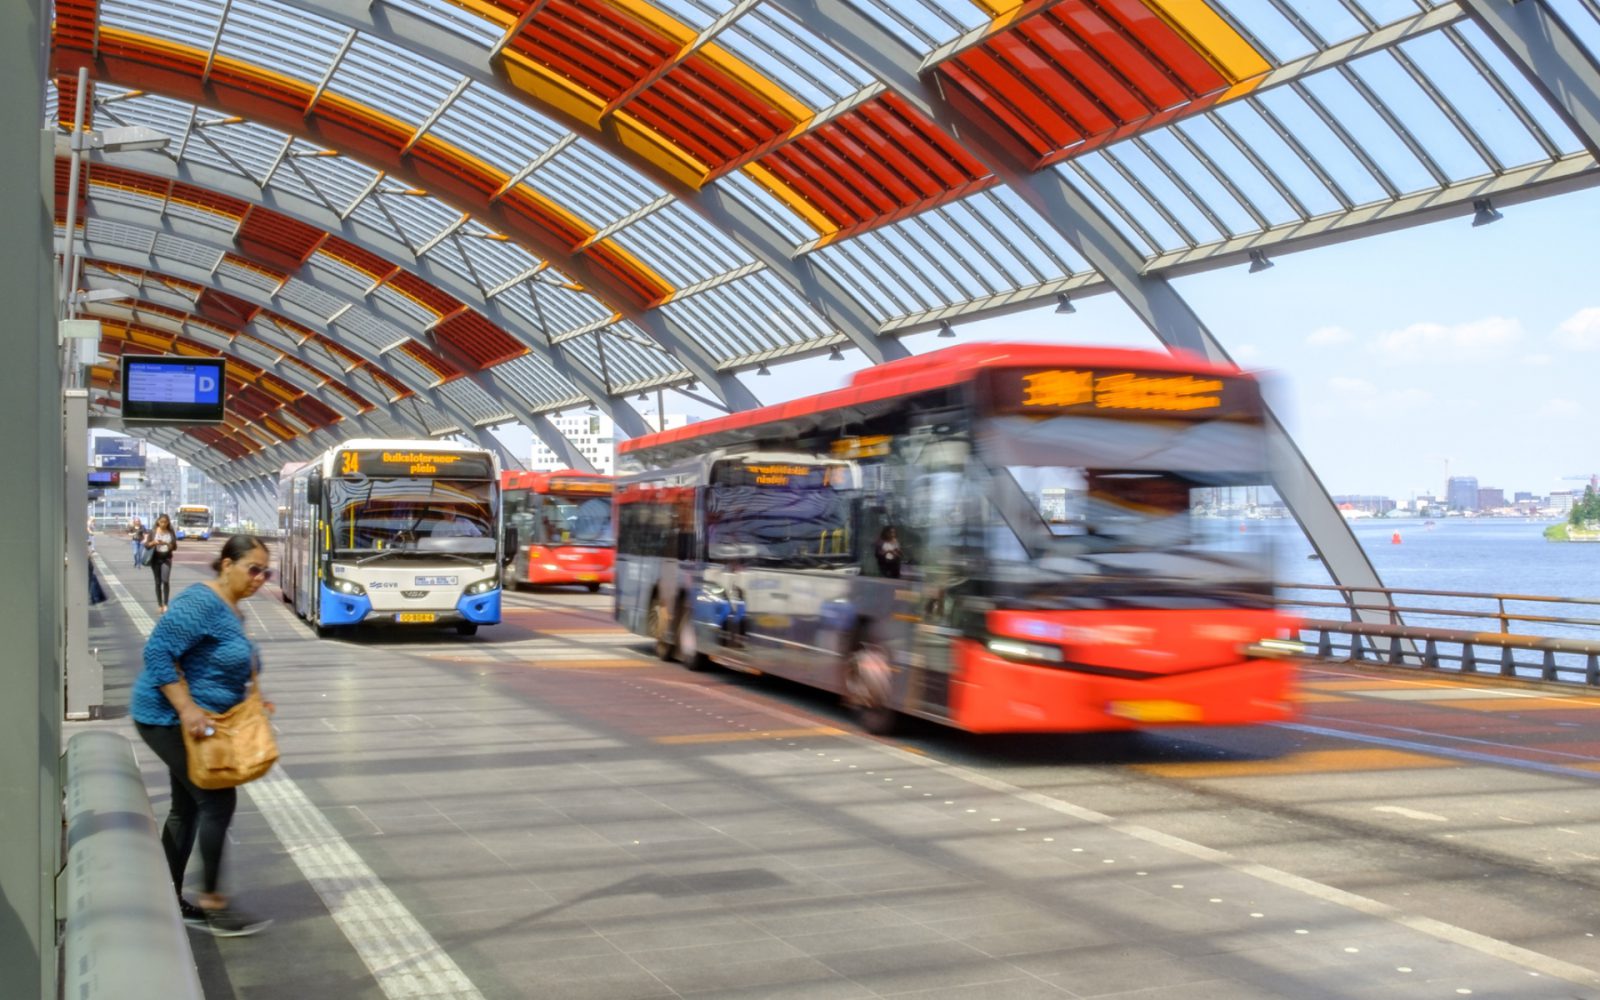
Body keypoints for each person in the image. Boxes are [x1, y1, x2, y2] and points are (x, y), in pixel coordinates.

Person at [130, 533, 275, 937]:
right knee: (216, 798)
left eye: (267, 571)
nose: (260, 578)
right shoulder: (201, 603)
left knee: (188, 808)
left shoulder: (231, 606)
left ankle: (165, 898)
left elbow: (220, 661)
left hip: (200, 718)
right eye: (254, 569)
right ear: (226, 564)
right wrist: (187, 708)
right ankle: (213, 902)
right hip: (166, 718)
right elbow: (157, 651)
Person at [145, 513, 178, 613]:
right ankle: (160, 604)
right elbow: (146, 545)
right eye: (161, 522)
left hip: (166, 559)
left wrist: (167, 544)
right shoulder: (153, 532)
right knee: (158, 582)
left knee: (166, 580)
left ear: (168, 523)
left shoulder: (171, 532)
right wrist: (153, 543)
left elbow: (175, 547)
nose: (163, 524)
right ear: (158, 522)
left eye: (165, 522)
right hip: (155, 559)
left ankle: (166, 604)